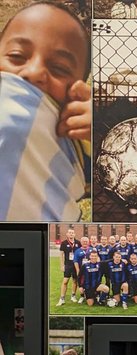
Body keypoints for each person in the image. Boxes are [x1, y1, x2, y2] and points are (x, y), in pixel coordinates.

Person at [0, 1, 91, 222]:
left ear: (76, 90)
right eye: (16, 56)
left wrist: (94, 131)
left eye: (58, 68)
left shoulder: (76, 134)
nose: (34, 72)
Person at [57, 229, 79, 306]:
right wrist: (62, 265)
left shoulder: (78, 243)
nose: (71, 234)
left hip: (76, 265)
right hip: (68, 265)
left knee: (75, 281)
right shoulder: (64, 243)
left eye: (72, 233)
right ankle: (62, 298)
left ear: (74, 234)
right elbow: (61, 255)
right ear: (67, 234)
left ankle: (73, 295)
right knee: (65, 281)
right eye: (70, 233)